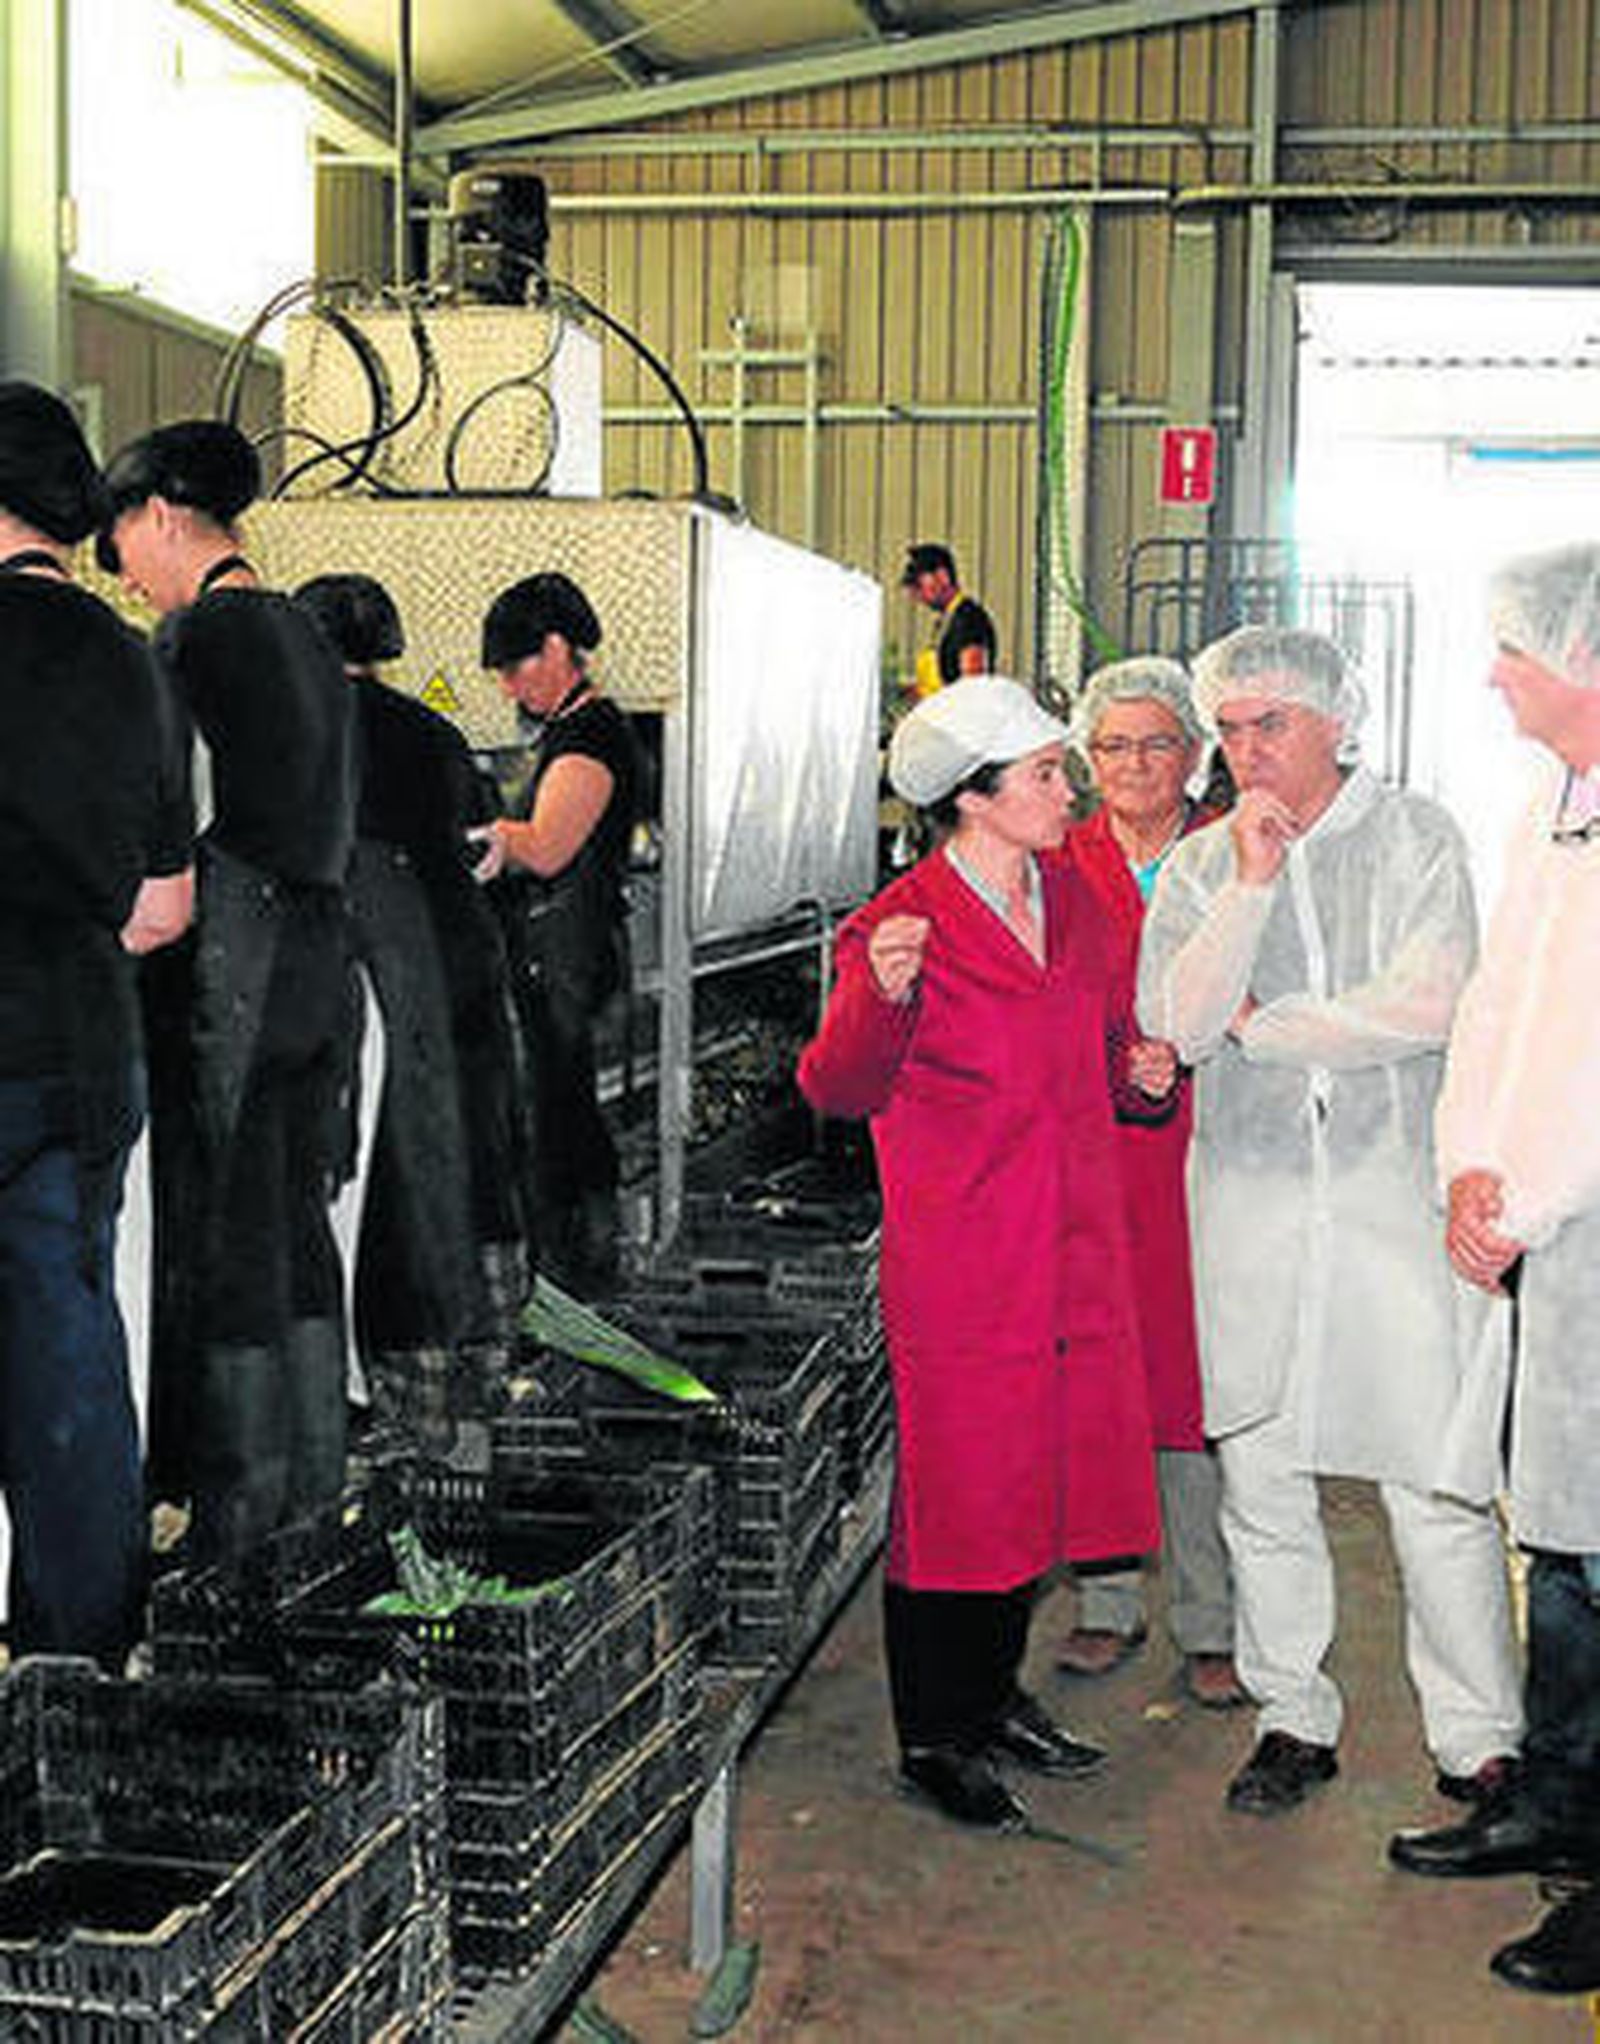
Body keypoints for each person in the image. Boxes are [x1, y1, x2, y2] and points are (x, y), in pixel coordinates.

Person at [1138, 624, 1523, 1818]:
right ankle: (1291, 1715)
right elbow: (1177, 1017)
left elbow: (1427, 1001)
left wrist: (1268, 1024)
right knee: (1260, 1472)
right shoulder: (1205, 866)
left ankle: (1478, 1737)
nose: (1247, 751)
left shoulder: (1414, 836)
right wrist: (1249, 887)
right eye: (1232, 729)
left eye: (1273, 726)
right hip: (1251, 1209)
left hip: (1392, 1199)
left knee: (1434, 1478)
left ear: (1334, 723)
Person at [797, 674, 1171, 1833]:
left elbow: (1104, 1040)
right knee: (961, 1497)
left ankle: (996, 1695)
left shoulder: (1075, 897)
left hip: (1071, 1243)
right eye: (1049, 774)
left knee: (1041, 1482)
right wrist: (879, 996)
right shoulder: (901, 923)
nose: (1071, 790)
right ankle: (935, 1733)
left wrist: (1135, 1073)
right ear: (973, 799)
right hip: (966, 1257)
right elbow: (835, 1086)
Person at [1385, 544, 1600, 1995]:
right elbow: (1502, 1011)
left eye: (1511, 652)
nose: (1491, 677)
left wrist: (1522, 1196)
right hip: (1546, 1231)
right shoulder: (1552, 807)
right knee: (1568, 1550)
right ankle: (1559, 1805)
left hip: (1572, 1214)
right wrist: (1468, 1161)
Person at [99, 419, 357, 1563]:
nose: (133, 578)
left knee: (231, 1237)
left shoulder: (195, 641)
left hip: (236, 970)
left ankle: (240, 1524)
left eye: (126, 548)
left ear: (159, 516)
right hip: (318, 967)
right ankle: (311, 1495)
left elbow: (160, 830)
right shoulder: (304, 631)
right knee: (297, 1228)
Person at [0, 381, 191, 1666]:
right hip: (76, 1049)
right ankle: (79, 1660)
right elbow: (165, 907)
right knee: (68, 1334)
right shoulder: (131, 659)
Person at [1056, 657, 1244, 1710]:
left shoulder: (1231, 856)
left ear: (1193, 753)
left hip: (1209, 1152)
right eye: (1114, 745)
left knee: (1193, 1381)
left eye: (1157, 742)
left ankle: (1211, 1619)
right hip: (1091, 1158)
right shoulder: (1058, 859)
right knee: (1094, 1370)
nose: (1135, 763)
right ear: (1087, 761)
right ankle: (1105, 1598)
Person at [293, 573, 512, 1447]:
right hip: (453, 981)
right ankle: (472, 1379)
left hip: (367, 996)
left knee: (379, 1195)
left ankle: (390, 1419)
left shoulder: (300, 738)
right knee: (458, 1170)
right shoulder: (436, 734)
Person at [470, 571, 639, 1295]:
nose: (510, 688)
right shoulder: (576, 730)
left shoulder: (592, 733)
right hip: (563, 954)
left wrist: (481, 834)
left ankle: (578, 1283)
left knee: (559, 1123)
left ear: (559, 647)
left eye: (516, 668)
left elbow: (547, 846)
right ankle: (577, 1282)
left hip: (566, 956)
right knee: (563, 1116)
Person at [899, 542, 996, 698]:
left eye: (919, 585)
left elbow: (973, 687)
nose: (917, 596)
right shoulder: (947, 621)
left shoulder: (969, 620)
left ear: (942, 577)